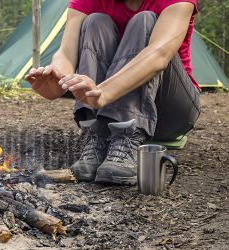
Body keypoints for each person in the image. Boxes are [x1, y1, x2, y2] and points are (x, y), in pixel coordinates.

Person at [25, 0, 201, 185]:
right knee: (95, 22)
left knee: (144, 20)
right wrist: (59, 79)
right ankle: (97, 135)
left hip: (170, 111)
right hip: (103, 106)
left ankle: (128, 136)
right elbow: (66, 53)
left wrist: (103, 92)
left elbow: (159, 55)